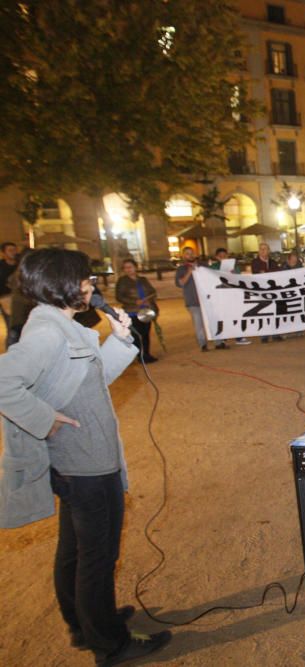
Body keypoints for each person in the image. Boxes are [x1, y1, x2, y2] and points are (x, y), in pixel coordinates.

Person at [0, 248, 172, 664]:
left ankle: (85, 623)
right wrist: (43, 419)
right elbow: (4, 381)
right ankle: (109, 643)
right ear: (61, 285)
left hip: (81, 460)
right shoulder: (48, 333)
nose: (92, 286)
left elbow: (92, 379)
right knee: (98, 556)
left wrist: (120, 337)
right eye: (85, 280)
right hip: (86, 464)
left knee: (76, 550)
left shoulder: (63, 326)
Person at [175, 247, 223, 351]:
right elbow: (181, 283)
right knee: (198, 324)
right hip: (193, 301)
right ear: (183, 256)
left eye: (192, 253)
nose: (190, 255)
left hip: (207, 299)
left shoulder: (204, 265)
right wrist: (189, 271)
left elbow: (213, 277)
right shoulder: (181, 269)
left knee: (213, 321)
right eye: (187, 254)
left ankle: (218, 342)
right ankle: (203, 344)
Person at [114, 259, 158, 363]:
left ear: (136, 267)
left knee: (146, 334)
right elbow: (119, 297)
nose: (128, 269)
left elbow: (153, 292)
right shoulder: (122, 281)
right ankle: (140, 356)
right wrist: (134, 301)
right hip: (132, 311)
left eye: (130, 267)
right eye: (126, 268)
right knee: (137, 335)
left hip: (145, 311)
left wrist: (148, 300)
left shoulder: (143, 279)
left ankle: (146, 354)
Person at [250, 243, 284, 342]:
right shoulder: (255, 262)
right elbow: (256, 274)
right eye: (261, 249)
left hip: (273, 291)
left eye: (265, 249)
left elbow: (277, 273)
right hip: (261, 291)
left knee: (274, 312)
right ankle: (264, 336)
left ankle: (275, 334)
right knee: (264, 313)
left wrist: (266, 272)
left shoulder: (273, 262)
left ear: (269, 250)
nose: (263, 251)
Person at [0, 242, 19, 337]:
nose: (14, 252)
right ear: (3, 253)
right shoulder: (1, 267)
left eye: (15, 250)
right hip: (6, 300)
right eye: (10, 250)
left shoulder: (20, 265)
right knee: (12, 331)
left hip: (22, 301)